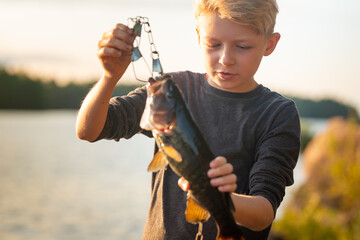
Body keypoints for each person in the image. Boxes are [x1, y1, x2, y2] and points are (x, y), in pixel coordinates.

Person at [76, 0, 301, 239]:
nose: (226, 58)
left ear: (270, 44)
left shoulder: (277, 114)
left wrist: (216, 199)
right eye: (213, 44)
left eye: (243, 46)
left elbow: (264, 213)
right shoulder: (171, 92)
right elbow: (89, 131)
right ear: (198, 37)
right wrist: (109, 77)